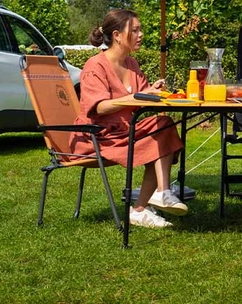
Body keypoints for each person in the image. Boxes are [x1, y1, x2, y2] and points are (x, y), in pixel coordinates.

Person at [69, 9, 188, 229]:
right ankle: (156, 197)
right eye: (135, 30)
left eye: (140, 29)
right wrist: (132, 97)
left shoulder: (132, 64)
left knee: (163, 127)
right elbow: (100, 107)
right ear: (116, 35)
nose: (141, 34)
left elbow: (140, 100)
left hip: (124, 131)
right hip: (98, 137)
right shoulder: (95, 66)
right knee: (160, 134)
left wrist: (152, 91)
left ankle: (150, 202)